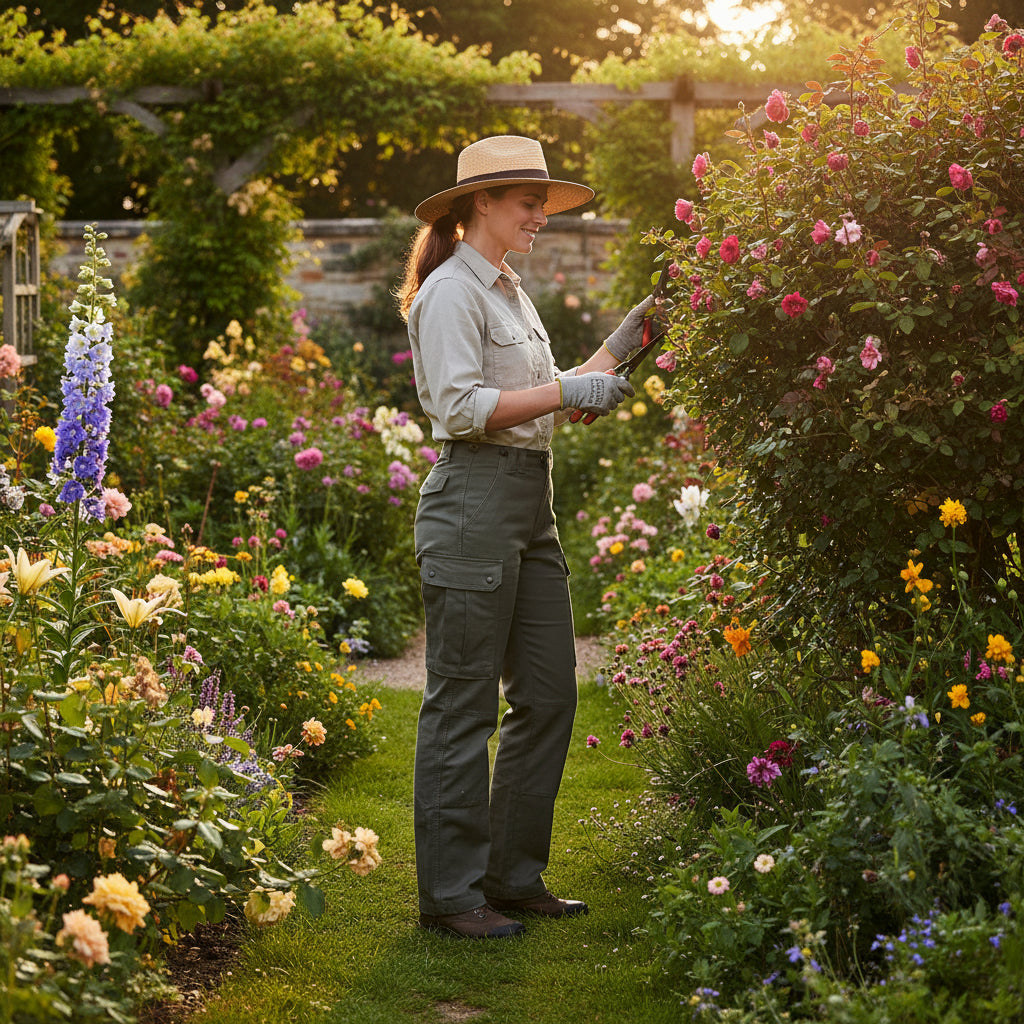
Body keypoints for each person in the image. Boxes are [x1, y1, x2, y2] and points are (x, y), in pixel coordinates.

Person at [397, 135, 653, 939]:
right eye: (528, 202)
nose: (542, 215)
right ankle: (451, 896)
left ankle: (511, 877)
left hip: (529, 503)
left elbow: (544, 395)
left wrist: (625, 343)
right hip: (473, 500)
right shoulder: (451, 292)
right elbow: (460, 408)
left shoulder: (510, 290)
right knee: (462, 702)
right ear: (481, 202)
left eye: (544, 203)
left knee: (548, 693)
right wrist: (568, 388)